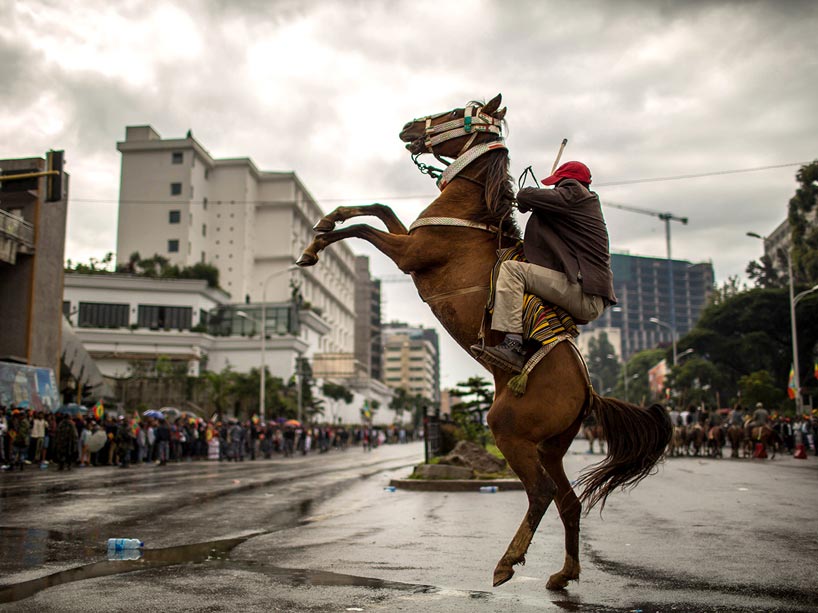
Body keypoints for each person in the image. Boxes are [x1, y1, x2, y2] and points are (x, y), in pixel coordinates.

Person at [479, 161, 617, 371]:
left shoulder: (575, 194)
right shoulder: (577, 204)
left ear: (567, 182)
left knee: (512, 270)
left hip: (585, 295)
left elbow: (526, 196)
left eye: (556, 185)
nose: (555, 189)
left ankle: (513, 344)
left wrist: (528, 198)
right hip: (586, 293)